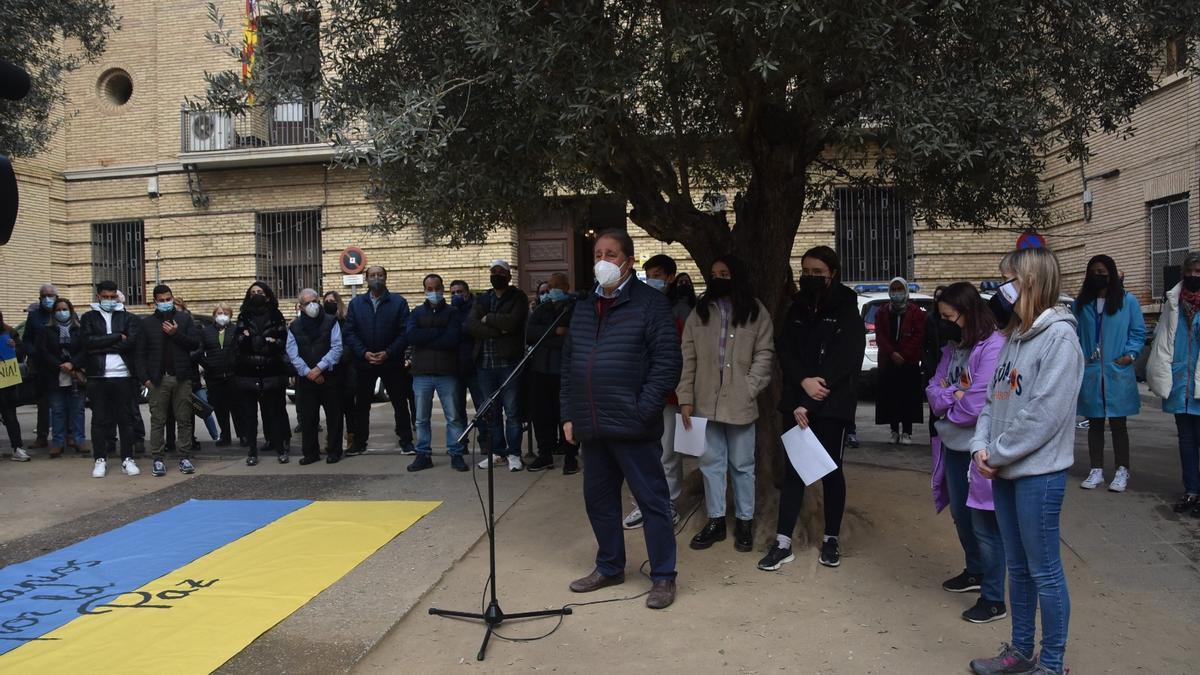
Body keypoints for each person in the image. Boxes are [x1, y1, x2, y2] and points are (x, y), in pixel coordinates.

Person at [969, 247, 1082, 675]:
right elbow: (992, 403)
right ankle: (1019, 652)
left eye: (1008, 278)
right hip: (1004, 471)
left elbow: (1044, 415)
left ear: (1029, 281)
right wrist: (982, 446)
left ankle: (1051, 665)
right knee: (1018, 568)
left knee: (1044, 570)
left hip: (1038, 476)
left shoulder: (1061, 339)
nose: (1001, 288)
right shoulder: (1014, 338)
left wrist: (995, 453)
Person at [562, 230, 682, 610]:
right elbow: (570, 365)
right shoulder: (583, 305)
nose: (602, 260)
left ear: (628, 261)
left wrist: (642, 409)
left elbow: (667, 364)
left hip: (633, 425)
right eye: (598, 253)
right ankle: (610, 566)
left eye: (610, 254)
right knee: (598, 501)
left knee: (652, 502)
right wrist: (569, 414)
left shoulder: (650, 304)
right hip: (593, 425)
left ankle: (663, 576)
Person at [758, 246, 865, 571]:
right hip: (797, 401)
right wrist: (803, 385)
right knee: (794, 474)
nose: (811, 278)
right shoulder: (798, 307)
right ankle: (783, 541)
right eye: (806, 271)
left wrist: (811, 397)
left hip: (831, 405)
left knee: (831, 471)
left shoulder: (847, 308)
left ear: (832, 273)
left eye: (818, 272)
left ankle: (831, 539)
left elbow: (846, 358)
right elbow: (786, 350)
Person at [679, 255, 774, 553]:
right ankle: (716, 520)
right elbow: (688, 357)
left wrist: (749, 387)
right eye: (713, 273)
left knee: (743, 465)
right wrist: (685, 398)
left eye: (724, 273)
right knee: (710, 464)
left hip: (740, 403)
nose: (718, 277)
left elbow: (764, 353)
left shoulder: (756, 312)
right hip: (704, 400)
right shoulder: (700, 312)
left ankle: (745, 520)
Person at [925, 282, 1007, 624]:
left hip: (981, 449)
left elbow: (976, 403)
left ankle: (993, 598)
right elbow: (932, 389)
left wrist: (951, 402)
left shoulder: (993, 345)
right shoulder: (953, 347)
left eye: (948, 316)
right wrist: (949, 399)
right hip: (953, 445)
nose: (944, 322)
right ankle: (974, 571)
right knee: (960, 513)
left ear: (968, 312)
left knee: (985, 522)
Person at [623, 253, 693, 528]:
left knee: (667, 453)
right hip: (640, 391)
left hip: (670, 393)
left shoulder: (682, 309)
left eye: (658, 275)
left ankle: (668, 504)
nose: (652, 280)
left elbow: (686, 353)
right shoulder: (637, 304)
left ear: (670, 277)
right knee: (640, 451)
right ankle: (643, 503)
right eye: (649, 274)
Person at [1073, 255, 1145, 492]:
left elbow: (1137, 332)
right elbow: (1074, 334)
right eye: (1093, 271)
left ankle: (1122, 470)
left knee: (1118, 423)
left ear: (1111, 274)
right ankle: (1096, 470)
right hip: (1092, 370)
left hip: (1116, 369)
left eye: (1102, 271)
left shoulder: (1128, 301)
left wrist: (1130, 355)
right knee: (1094, 423)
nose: (1098, 275)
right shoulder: (1081, 304)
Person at [1147, 251, 1200, 517]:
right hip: (1180, 384)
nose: (1193, 277)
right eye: (1189, 272)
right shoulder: (1173, 301)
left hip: (1199, 384)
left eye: (1198, 273)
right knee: (1186, 442)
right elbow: (1163, 338)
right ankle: (1191, 490)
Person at [343, 265, 414, 455]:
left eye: (380, 275)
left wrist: (388, 353)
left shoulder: (399, 303)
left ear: (386, 278)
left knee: (400, 403)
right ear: (366, 279)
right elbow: (349, 333)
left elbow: (404, 332)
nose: (376, 278)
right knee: (362, 405)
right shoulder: (356, 303)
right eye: (372, 275)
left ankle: (406, 440)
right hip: (364, 362)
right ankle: (359, 442)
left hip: (391, 362)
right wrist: (364, 352)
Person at [466, 260, 529, 471]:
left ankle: (514, 453)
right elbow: (472, 325)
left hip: (509, 363)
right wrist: (498, 329)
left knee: (512, 412)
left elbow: (513, 323)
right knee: (491, 412)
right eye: (493, 272)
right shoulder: (483, 298)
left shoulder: (518, 297)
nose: (497, 275)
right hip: (484, 364)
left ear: (509, 276)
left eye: (501, 272)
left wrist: (489, 318)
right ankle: (498, 453)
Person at [77, 280, 142, 478]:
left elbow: (131, 342)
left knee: (126, 419)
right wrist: (116, 337)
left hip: (123, 375)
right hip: (98, 375)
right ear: (98, 296)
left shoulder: (128, 317)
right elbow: (87, 343)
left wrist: (101, 345)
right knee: (99, 420)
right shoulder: (88, 317)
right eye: (105, 297)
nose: (109, 300)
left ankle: (127, 459)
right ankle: (100, 459)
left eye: (112, 296)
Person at [135, 284, 200, 476]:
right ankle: (158, 458)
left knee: (184, 419)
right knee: (158, 420)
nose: (165, 303)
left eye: (168, 299)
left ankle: (185, 457)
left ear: (172, 298)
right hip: (157, 380)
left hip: (181, 377)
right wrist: (144, 379)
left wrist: (175, 334)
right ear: (154, 302)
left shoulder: (183, 319)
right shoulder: (147, 324)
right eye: (161, 300)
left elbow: (194, 344)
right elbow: (140, 354)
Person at [404, 274, 467, 472]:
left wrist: (426, 337)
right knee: (421, 418)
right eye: (429, 289)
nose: (434, 292)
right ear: (425, 290)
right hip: (421, 372)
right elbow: (412, 336)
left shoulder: (452, 312)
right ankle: (423, 454)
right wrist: (436, 333)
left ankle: (456, 453)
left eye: (437, 288)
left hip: (447, 371)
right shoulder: (416, 312)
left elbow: (452, 339)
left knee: (453, 416)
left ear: (442, 289)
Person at [525, 272, 578, 474]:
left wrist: (549, 337)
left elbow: (571, 338)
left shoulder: (574, 308)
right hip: (540, 370)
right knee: (541, 416)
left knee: (564, 415)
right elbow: (530, 334)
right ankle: (544, 454)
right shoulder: (542, 308)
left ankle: (570, 457)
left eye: (557, 285)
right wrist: (555, 332)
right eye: (550, 286)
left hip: (564, 371)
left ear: (566, 287)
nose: (553, 289)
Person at [233, 281, 291, 465]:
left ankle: (280, 448)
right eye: (253, 292)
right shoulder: (244, 316)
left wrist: (261, 343)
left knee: (274, 412)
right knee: (250, 415)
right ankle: (252, 451)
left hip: (271, 371)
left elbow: (281, 341)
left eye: (260, 292)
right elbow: (240, 342)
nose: (256, 295)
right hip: (248, 372)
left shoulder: (276, 316)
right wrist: (264, 341)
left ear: (267, 295)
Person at [287, 288, 344, 465]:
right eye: (307, 303)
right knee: (308, 418)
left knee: (334, 416)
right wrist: (307, 372)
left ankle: (334, 451)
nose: (312, 305)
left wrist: (319, 368)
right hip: (306, 380)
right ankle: (310, 453)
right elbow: (292, 353)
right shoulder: (294, 326)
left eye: (315, 301)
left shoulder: (331, 321)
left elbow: (337, 348)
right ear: (301, 307)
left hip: (329, 377)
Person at [874, 276, 926, 444]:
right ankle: (894, 430)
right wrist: (892, 353)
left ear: (906, 291)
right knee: (891, 396)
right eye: (894, 290)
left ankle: (907, 432)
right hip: (888, 361)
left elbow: (918, 336)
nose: (897, 293)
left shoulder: (915, 312)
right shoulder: (882, 312)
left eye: (900, 290)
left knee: (908, 397)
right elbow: (880, 336)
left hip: (908, 363)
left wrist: (903, 354)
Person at [34, 299, 87, 459]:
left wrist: (73, 363)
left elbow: (86, 349)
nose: (61, 312)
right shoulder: (46, 330)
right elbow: (42, 352)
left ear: (70, 311)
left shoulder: (79, 329)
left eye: (65, 309)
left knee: (77, 410)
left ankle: (79, 440)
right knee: (57, 411)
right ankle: (57, 442)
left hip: (75, 375)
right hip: (54, 375)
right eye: (58, 309)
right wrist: (60, 365)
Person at [198, 302, 242, 447]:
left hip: (233, 375)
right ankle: (225, 436)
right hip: (214, 377)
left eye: (226, 313)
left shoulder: (236, 330)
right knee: (220, 408)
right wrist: (208, 365)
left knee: (237, 407)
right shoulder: (206, 332)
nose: (222, 316)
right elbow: (199, 352)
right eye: (219, 313)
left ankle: (243, 435)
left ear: (231, 315)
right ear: (214, 315)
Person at [23, 283, 58, 450]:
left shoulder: (61, 313)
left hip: (59, 364)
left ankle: (68, 436)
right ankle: (42, 437)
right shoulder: (34, 316)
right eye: (44, 295)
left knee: (64, 403)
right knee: (43, 403)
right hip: (40, 365)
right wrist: (33, 352)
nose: (47, 298)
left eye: (50, 295)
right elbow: (26, 339)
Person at [323, 290, 357, 451]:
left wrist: (339, 356)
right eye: (326, 301)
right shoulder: (323, 323)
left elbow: (350, 342)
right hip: (330, 371)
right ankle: (332, 440)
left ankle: (352, 439)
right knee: (332, 409)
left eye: (332, 301)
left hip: (346, 370)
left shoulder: (345, 321)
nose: (329, 303)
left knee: (349, 407)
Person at [0, 312, 29, 461]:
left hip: (6, 382)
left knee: (10, 415)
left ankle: (17, 447)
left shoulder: (10, 332)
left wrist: (14, 347)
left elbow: (22, 353)